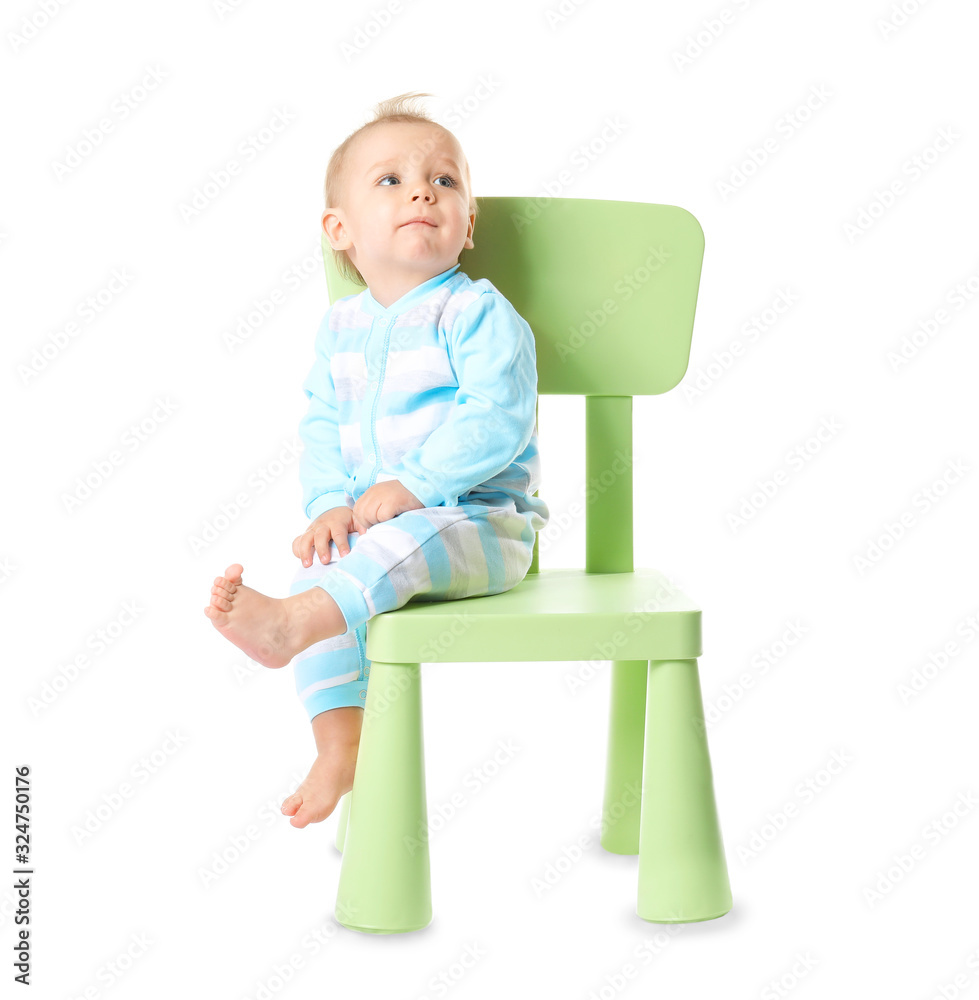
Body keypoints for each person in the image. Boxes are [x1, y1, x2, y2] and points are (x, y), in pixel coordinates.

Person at [203, 92, 548, 829]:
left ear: (468, 223)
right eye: (389, 180)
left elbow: (499, 414)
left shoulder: (477, 312)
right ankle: (339, 745)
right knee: (328, 571)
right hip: (376, 533)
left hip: (480, 527)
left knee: (385, 552)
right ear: (340, 231)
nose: (423, 189)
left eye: (444, 180)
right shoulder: (342, 327)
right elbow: (321, 421)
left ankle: (294, 623)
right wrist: (329, 503)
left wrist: (418, 484)